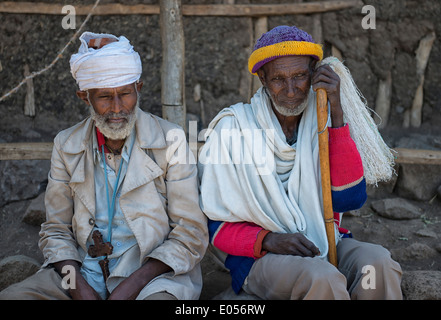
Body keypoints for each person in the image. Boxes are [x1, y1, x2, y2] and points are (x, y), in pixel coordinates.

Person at [198, 25, 402, 300]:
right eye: (279, 79)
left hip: (326, 239)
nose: (291, 90)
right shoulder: (233, 130)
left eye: (300, 76)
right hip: (262, 258)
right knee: (321, 277)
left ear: (314, 75)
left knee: (378, 264)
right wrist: (269, 239)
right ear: (262, 78)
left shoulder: (324, 121)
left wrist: (337, 111)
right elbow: (215, 227)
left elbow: (350, 200)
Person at [0, 32, 208, 300]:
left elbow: (190, 232)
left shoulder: (171, 140)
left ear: (138, 89)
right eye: (104, 97)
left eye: (125, 94)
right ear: (85, 97)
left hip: (154, 276)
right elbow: (56, 230)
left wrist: (131, 286)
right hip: (83, 274)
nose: (117, 108)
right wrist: (79, 289)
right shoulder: (67, 144)